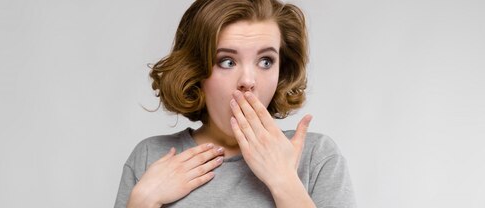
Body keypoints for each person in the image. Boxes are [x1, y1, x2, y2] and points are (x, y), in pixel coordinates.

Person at [115, 0, 356, 207]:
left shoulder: (317, 157)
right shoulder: (149, 157)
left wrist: (284, 183)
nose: (248, 81)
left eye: (265, 61)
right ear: (195, 70)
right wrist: (142, 202)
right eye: (227, 62)